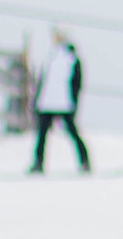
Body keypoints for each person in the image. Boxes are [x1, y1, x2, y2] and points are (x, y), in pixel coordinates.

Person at [30, 28, 89, 173]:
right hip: (47, 103)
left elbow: (76, 83)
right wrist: (38, 100)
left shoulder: (71, 57)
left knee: (73, 134)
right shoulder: (51, 56)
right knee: (42, 135)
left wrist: (74, 102)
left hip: (64, 103)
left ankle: (85, 162)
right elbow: (43, 81)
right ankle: (38, 163)